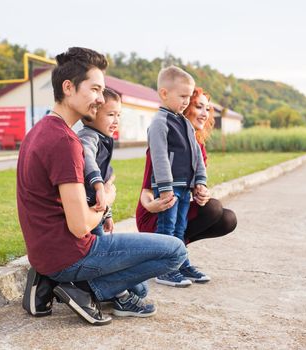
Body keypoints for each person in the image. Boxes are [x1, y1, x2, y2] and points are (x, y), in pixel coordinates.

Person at [17, 47, 187, 326]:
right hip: (70, 255)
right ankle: (83, 291)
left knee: (139, 288)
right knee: (175, 251)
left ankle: (57, 281)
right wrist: (106, 198)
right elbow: (80, 226)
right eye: (95, 89)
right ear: (68, 87)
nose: (99, 98)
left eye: (102, 90)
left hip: (46, 255)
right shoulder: (64, 141)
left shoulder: (38, 130)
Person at [136, 87, 237, 283]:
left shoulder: (198, 146)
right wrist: (151, 204)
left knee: (227, 218)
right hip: (156, 212)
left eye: (208, 109)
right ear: (185, 107)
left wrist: (202, 191)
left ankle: (179, 260)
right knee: (214, 209)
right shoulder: (165, 141)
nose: (205, 114)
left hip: (178, 207)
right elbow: (147, 189)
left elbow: (196, 181)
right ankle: (164, 261)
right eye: (199, 107)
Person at [147, 66, 207, 287]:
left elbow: (197, 155)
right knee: (167, 228)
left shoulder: (185, 123)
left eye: (189, 96)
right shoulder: (159, 122)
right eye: (182, 96)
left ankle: (180, 263)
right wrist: (165, 187)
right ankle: (164, 270)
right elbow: (159, 156)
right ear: (164, 93)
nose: (186, 101)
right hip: (169, 188)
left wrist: (200, 181)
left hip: (185, 187)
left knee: (180, 228)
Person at [77, 88, 121, 235]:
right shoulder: (88, 136)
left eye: (118, 115)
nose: (116, 120)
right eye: (111, 115)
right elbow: (88, 157)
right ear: (92, 114)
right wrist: (99, 186)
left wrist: (107, 214)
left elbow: (106, 175)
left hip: (96, 207)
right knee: (94, 246)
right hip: (86, 207)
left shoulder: (104, 139)